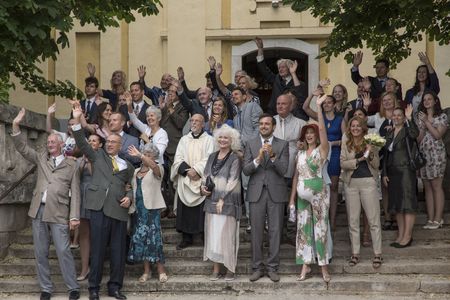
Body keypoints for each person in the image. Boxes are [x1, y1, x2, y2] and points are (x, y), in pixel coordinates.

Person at [11, 108, 81, 300]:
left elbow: (75, 192)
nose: (49, 144)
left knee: (63, 251)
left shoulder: (71, 165)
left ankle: (73, 287)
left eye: (52, 141)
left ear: (61, 144)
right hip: (38, 211)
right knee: (40, 252)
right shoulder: (41, 158)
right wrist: (16, 125)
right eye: (48, 142)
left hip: (59, 212)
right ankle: (46, 288)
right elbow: (23, 148)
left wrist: (74, 216)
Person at [72, 107, 135, 300]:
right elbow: (82, 143)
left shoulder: (128, 166)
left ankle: (115, 287)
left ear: (120, 145)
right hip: (98, 208)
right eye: (107, 142)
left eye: (113, 142)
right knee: (97, 250)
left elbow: (129, 186)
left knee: (117, 251)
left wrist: (130, 197)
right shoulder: (97, 156)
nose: (109, 145)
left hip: (118, 210)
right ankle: (93, 288)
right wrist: (77, 121)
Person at [289, 94, 332, 283]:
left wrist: (319, 108)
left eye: (311, 132)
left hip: (318, 192)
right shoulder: (299, 154)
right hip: (301, 194)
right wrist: (291, 199)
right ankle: (305, 265)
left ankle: (323, 266)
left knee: (320, 229)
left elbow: (323, 129)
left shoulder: (321, 150)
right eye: (306, 133)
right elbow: (296, 176)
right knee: (303, 230)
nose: (309, 135)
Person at [243, 113, 289, 283]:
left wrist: (273, 156)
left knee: (275, 231)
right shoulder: (250, 143)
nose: (263, 126)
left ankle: (272, 267)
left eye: (267, 124)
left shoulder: (283, 144)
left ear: (273, 126)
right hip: (256, 193)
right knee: (256, 232)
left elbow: (284, 170)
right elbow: (246, 170)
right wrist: (257, 159)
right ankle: (256, 267)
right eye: (261, 123)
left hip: (276, 193)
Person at [340, 116, 383, 268]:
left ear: (363, 127)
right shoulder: (346, 142)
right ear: (349, 128)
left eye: (358, 126)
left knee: (373, 220)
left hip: (368, 182)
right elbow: (343, 163)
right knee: (353, 221)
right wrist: (357, 161)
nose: (355, 128)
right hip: (351, 184)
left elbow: (377, 164)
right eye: (353, 126)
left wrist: (370, 153)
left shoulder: (370, 141)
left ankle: (377, 254)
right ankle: (355, 253)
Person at [202, 125, 242, 281]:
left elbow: (233, 181)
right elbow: (206, 176)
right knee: (213, 236)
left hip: (228, 201)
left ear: (232, 140)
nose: (223, 140)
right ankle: (216, 269)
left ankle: (230, 269)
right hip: (211, 201)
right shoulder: (212, 156)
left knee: (228, 236)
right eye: (220, 137)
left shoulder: (234, 158)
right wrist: (203, 189)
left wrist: (222, 199)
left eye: (226, 137)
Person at [171, 113, 215, 250]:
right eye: (192, 120)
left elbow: (210, 158)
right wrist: (187, 171)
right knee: (185, 209)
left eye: (197, 121)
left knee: (202, 210)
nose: (194, 123)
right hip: (186, 179)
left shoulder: (209, 140)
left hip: (201, 178)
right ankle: (186, 238)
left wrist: (196, 170)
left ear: (203, 124)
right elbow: (178, 158)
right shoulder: (184, 139)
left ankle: (203, 236)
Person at [303, 88, 343, 232]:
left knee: (333, 187)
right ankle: (321, 218)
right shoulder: (320, 116)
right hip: (320, 154)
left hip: (335, 154)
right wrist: (312, 95)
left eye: (329, 102)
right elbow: (305, 108)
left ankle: (332, 221)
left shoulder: (340, 119)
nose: (326, 105)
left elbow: (345, 139)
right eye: (324, 103)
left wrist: (334, 143)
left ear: (334, 104)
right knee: (321, 185)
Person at [127, 144, 168, 283]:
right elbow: (132, 188)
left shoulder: (158, 168)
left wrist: (140, 155)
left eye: (150, 155)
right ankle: (146, 271)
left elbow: (154, 168)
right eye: (146, 154)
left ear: (155, 157)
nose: (147, 156)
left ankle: (161, 270)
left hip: (152, 210)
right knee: (142, 240)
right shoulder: (135, 171)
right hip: (138, 210)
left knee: (155, 239)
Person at [382, 106, 418, 248]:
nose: (396, 117)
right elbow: (385, 155)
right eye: (394, 115)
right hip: (392, 172)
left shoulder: (407, 130)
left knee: (407, 204)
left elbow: (415, 134)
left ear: (403, 117)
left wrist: (410, 118)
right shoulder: (389, 133)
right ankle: (401, 235)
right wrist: (384, 173)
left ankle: (408, 236)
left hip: (406, 171)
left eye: (399, 115)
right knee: (397, 205)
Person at [273, 94, 306, 245]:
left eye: (283, 104)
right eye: (278, 104)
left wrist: (302, 146)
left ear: (291, 105)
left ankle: (292, 233)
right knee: (275, 205)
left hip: (294, 169)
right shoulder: (270, 122)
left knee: (293, 203)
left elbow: (308, 144)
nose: (280, 106)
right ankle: (277, 235)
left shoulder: (301, 123)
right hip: (274, 170)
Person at [254, 37, 308, 119]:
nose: (280, 69)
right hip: (274, 115)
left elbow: (300, 95)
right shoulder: (276, 79)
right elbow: (263, 68)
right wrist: (260, 49)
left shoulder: (299, 83)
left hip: (293, 116)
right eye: (279, 67)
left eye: (283, 67)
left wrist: (293, 73)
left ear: (290, 68)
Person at [417, 91, 448, 229]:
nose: (427, 101)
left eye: (429, 99)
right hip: (424, 155)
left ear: (435, 101)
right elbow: (418, 140)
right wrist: (422, 126)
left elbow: (437, 135)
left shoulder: (442, 116)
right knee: (427, 188)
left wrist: (427, 122)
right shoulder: (420, 117)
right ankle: (430, 219)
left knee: (436, 186)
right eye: (424, 99)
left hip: (436, 154)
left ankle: (438, 218)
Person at [159, 81, 190, 218]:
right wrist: (162, 109)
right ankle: (163, 206)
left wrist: (170, 110)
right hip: (162, 147)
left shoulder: (183, 107)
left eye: (172, 92)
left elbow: (180, 124)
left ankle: (173, 207)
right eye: (169, 92)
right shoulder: (165, 107)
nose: (169, 94)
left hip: (174, 147)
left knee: (172, 180)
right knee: (161, 179)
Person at [76, 134, 104, 282]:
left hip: (97, 197)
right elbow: (75, 177)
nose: (91, 142)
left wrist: (90, 161)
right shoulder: (81, 159)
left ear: (99, 145)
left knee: (97, 234)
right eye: (89, 140)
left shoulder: (101, 158)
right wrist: (82, 163)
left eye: (94, 141)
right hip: (82, 196)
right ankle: (84, 268)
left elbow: (97, 176)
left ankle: (96, 268)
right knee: (84, 234)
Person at [124, 91, 169, 165]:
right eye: (147, 116)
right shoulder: (146, 129)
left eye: (152, 115)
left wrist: (147, 141)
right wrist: (129, 105)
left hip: (155, 166)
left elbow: (159, 154)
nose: (149, 118)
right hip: (144, 164)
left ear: (158, 118)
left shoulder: (162, 133)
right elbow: (134, 120)